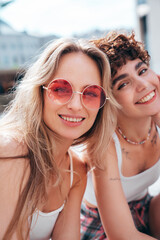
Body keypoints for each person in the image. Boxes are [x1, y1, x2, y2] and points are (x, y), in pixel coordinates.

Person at [0, 38, 117, 240]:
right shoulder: (11, 153)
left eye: (90, 93)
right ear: (40, 91)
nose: (76, 105)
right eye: (61, 89)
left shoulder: (76, 171)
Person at [81, 32, 160, 240]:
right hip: (100, 225)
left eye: (142, 71)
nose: (143, 85)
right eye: (123, 84)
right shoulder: (103, 143)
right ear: (108, 101)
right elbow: (122, 235)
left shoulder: (156, 120)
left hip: (145, 207)